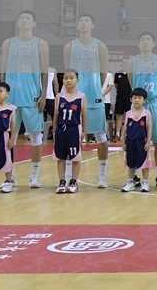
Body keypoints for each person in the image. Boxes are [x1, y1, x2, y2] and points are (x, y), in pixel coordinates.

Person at [1, 10, 50, 188]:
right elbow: (3, 69)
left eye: (28, 18)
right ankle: (10, 174)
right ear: (17, 22)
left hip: (32, 98)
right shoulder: (8, 43)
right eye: (21, 18)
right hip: (11, 98)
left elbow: (45, 72)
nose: (24, 20)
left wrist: (43, 95)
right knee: (9, 137)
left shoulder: (41, 44)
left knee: (36, 137)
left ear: (34, 23)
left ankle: (34, 176)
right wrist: (2, 93)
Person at [64, 13, 111, 187]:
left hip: (94, 97)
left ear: (92, 25)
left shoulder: (100, 46)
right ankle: (68, 176)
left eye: (87, 21)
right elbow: (68, 71)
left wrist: (95, 88)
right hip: (73, 97)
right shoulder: (69, 46)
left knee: (101, 137)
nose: (83, 23)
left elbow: (103, 73)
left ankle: (102, 175)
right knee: (72, 138)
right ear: (77, 25)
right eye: (80, 21)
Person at [131, 32, 157, 189]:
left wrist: (156, 96)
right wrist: (139, 98)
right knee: (135, 142)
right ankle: (135, 175)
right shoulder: (132, 62)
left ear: (153, 44)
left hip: (154, 103)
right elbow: (131, 81)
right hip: (138, 105)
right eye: (142, 40)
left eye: (148, 40)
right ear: (138, 44)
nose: (145, 42)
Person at [53, 71, 87, 194]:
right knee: (60, 157)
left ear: (77, 80)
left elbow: (84, 114)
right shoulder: (59, 97)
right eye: (66, 78)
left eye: (72, 78)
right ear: (62, 80)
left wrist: (84, 130)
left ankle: (73, 181)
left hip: (74, 129)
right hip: (61, 129)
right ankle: (62, 181)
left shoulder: (81, 97)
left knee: (75, 157)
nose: (68, 80)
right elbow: (56, 114)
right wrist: (54, 129)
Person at [120, 87, 154, 193]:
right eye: (135, 98)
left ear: (144, 100)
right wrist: (123, 142)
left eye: (140, 98)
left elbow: (149, 129)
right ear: (131, 99)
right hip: (130, 142)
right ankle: (130, 182)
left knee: (144, 163)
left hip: (142, 142)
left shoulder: (146, 113)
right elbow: (125, 129)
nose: (137, 100)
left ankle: (145, 182)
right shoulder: (128, 114)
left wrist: (148, 142)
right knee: (130, 163)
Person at [112, 58, 133, 143]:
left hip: (129, 99)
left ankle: (128, 134)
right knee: (119, 116)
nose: (125, 64)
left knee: (129, 117)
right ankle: (117, 135)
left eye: (127, 63)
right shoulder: (118, 74)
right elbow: (116, 85)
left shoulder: (131, 74)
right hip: (120, 98)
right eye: (124, 63)